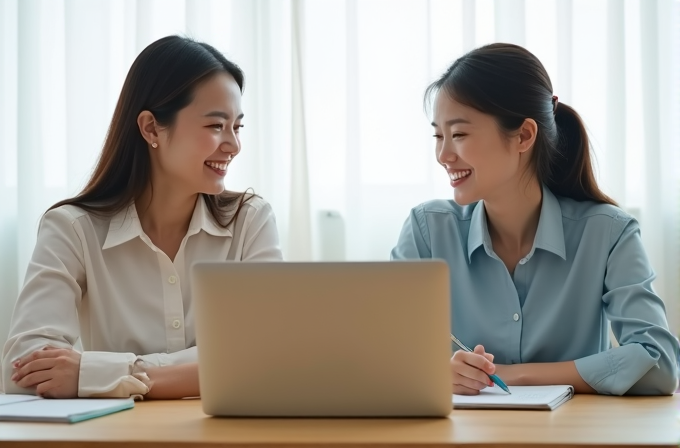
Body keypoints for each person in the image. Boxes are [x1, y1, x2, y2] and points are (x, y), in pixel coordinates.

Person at [1, 35, 282, 399]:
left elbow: (268, 357)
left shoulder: (250, 220)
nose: (233, 144)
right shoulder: (72, 228)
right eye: (216, 126)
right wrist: (205, 368)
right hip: (119, 434)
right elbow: (22, 370)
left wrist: (109, 374)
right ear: (151, 128)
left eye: (237, 126)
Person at [391, 43, 679, 396]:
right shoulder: (427, 231)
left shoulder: (608, 233)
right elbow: (384, 357)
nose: (443, 155)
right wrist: (437, 371)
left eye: (460, 134)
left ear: (524, 135)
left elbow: (660, 364)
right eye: (438, 136)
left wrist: (515, 376)